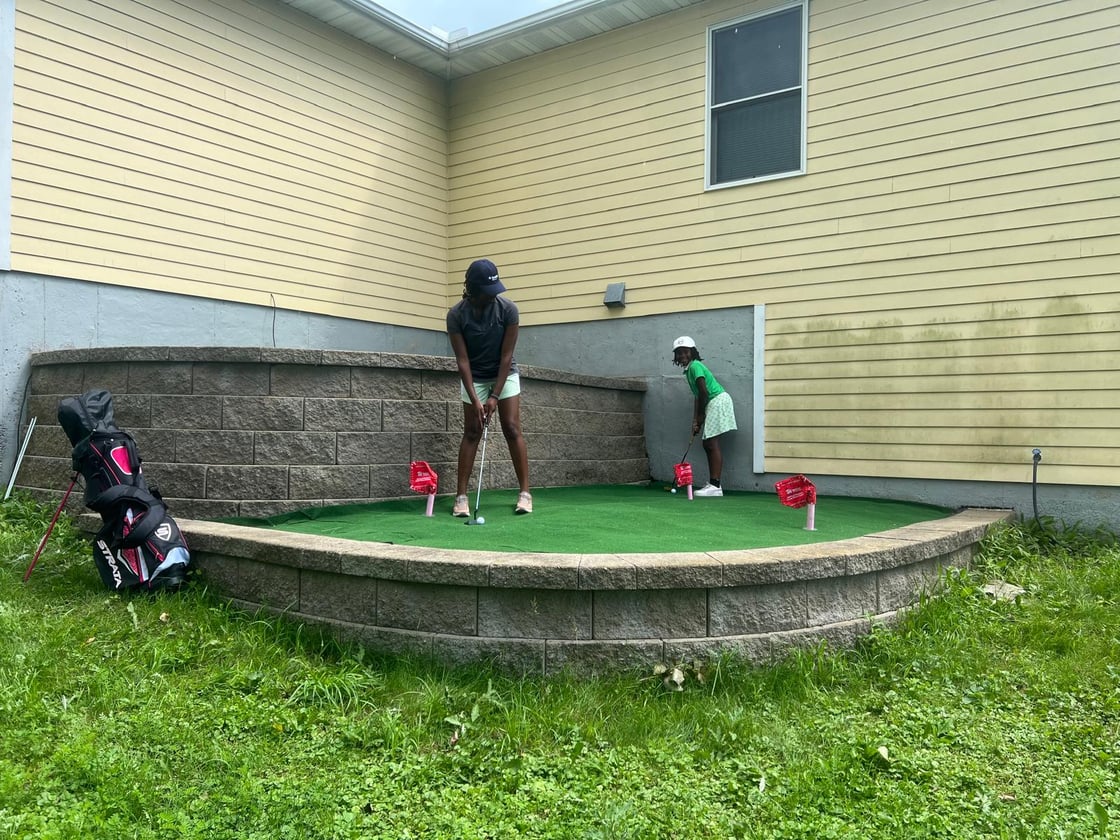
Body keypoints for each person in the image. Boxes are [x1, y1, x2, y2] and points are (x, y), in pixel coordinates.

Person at [446, 258, 532, 516]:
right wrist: (475, 399)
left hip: (504, 374)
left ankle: (525, 493)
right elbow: (462, 361)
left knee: (511, 427)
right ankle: (461, 497)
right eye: (487, 292)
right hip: (475, 376)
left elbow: (507, 357)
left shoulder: (508, 310)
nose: (493, 296)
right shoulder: (456, 315)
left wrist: (495, 396)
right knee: (472, 431)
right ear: (473, 290)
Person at [671, 336, 736, 497]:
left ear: (692, 352)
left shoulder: (695, 366)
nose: (682, 356)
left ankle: (715, 486)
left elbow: (704, 392)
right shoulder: (689, 370)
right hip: (713, 402)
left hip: (717, 401)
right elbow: (697, 396)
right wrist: (696, 420)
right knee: (708, 444)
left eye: (685, 352)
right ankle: (714, 484)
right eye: (679, 353)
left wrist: (700, 417)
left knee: (711, 443)